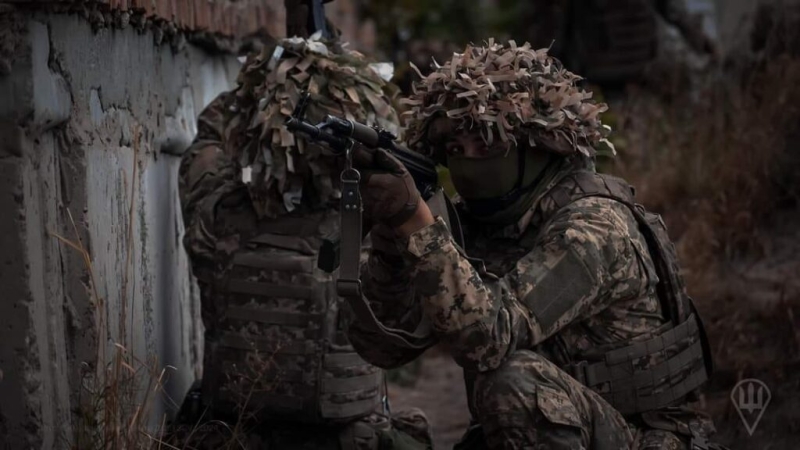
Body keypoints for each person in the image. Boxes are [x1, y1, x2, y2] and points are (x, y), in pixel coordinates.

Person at [348, 40, 723, 449]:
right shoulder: (478, 220)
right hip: (549, 429)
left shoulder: (595, 226)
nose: (470, 162)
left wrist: (415, 222)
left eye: (488, 145)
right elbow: (382, 347)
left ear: (540, 146)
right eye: (455, 150)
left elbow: (488, 339)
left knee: (512, 382)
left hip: (648, 435)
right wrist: (391, 240)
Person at [171, 34, 432, 450]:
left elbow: (209, 142)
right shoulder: (374, 229)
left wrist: (267, 85)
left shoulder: (220, 218)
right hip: (348, 439)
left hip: (240, 436)